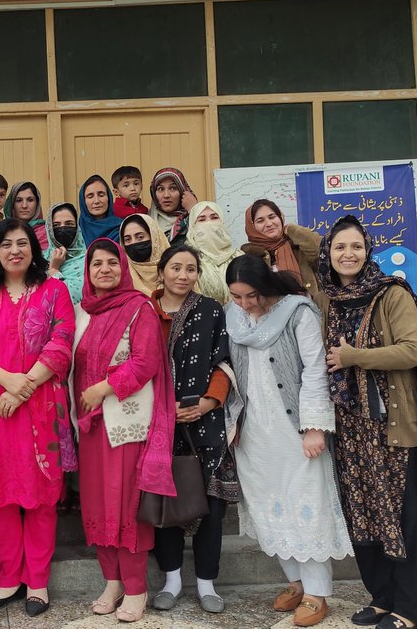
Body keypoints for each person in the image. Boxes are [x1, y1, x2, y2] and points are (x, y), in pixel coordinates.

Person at [316, 216, 417, 629]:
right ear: (328, 254)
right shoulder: (330, 299)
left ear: (368, 251)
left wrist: (355, 357)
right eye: (339, 247)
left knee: (402, 519)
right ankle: (382, 598)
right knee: (364, 515)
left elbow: (411, 351)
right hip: (351, 430)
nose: (348, 254)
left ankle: (411, 608)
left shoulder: (391, 293)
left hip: (392, 427)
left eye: (356, 246)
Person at [0, 219, 75, 618]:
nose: (15, 250)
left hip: (41, 408)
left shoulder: (54, 290)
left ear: (34, 250)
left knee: (41, 494)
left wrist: (24, 387)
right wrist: (8, 381)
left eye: (22, 243)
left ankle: (37, 580)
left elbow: (62, 342)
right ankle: (9, 578)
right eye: (6, 244)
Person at [225, 254, 352, 628]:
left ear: (265, 286)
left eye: (251, 295)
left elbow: (315, 371)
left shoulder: (298, 313)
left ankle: (317, 592)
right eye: (236, 296)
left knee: (306, 503)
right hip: (253, 430)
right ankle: (295, 583)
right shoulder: (233, 317)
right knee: (269, 504)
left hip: (294, 427)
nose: (244, 304)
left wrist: (314, 427)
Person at [73, 239, 176, 624]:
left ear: (123, 267)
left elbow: (145, 361)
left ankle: (135, 587)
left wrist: (103, 388)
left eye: (111, 262)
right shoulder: (83, 313)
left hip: (127, 423)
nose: (104, 269)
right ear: (87, 271)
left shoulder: (139, 308)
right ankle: (112, 581)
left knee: (126, 505)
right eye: (96, 263)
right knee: (98, 504)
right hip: (91, 425)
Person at [149, 245, 238, 614]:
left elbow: (224, 361)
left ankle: (206, 583)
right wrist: (163, 409)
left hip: (205, 421)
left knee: (211, 505)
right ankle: (171, 580)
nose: (183, 275)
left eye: (190, 269)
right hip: (157, 421)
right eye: (175, 268)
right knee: (164, 499)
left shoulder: (210, 310)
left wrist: (210, 401)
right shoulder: (144, 311)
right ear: (162, 271)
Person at [242, 199, 324, 305]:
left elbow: (322, 254)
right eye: (260, 221)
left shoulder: (299, 248)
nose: (269, 223)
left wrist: (293, 230)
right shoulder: (250, 257)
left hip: (308, 310)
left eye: (272, 217)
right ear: (252, 227)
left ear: (280, 218)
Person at [187, 202, 242, 306]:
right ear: (192, 226)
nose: (209, 223)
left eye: (214, 218)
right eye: (202, 220)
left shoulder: (238, 256)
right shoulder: (188, 259)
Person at [119, 214, 171, 297]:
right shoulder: (121, 275)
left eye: (140, 237)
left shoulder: (175, 268)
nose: (133, 242)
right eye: (128, 239)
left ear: (153, 237)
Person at [45, 203, 87, 305]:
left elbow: (73, 297)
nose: (63, 229)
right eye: (56, 225)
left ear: (77, 228)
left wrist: (54, 270)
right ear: (49, 229)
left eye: (69, 224)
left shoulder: (89, 260)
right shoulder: (39, 260)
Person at [148, 167, 198, 247]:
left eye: (173, 188)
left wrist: (195, 210)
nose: (166, 195)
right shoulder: (146, 224)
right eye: (160, 189)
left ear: (182, 191)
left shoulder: (196, 219)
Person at [77, 174, 123, 245]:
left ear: (109, 198)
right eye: (90, 196)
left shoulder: (122, 228)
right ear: (83, 201)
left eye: (101, 195)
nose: (96, 201)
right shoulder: (76, 231)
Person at [4, 182, 49, 250]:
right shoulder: (3, 231)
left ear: (37, 204)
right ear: (12, 205)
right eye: (19, 200)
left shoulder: (48, 233)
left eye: (30, 200)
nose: (24, 206)